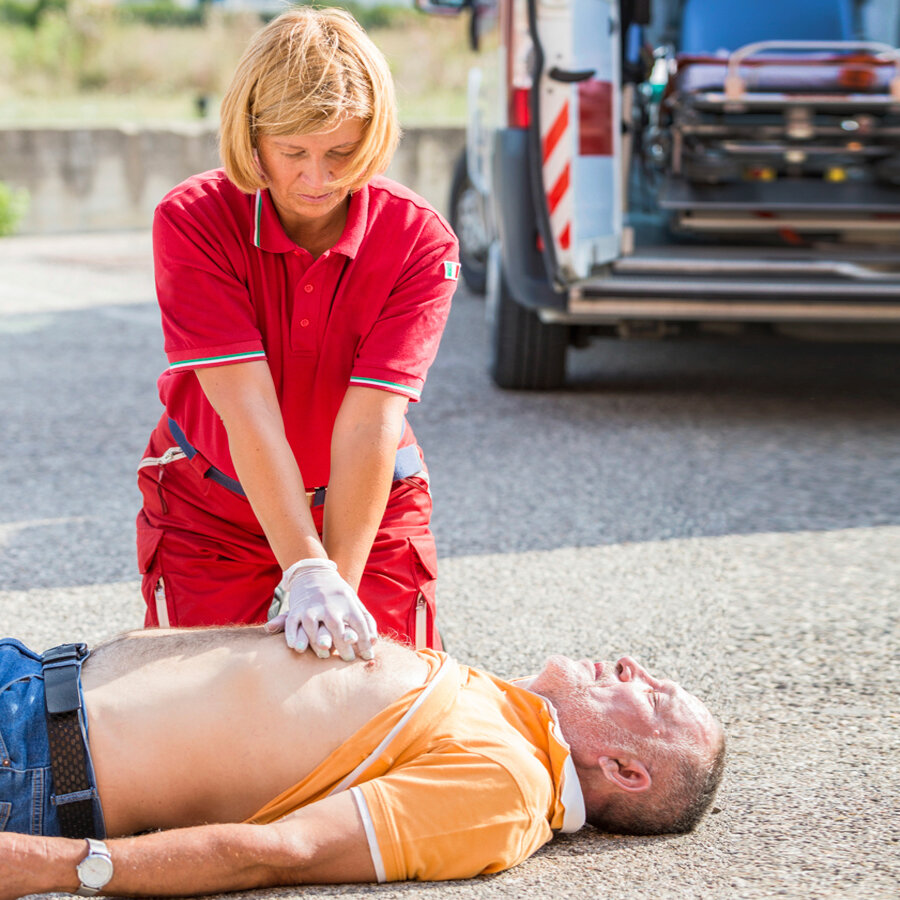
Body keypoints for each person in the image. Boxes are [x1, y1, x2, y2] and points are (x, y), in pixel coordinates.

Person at [135, 7, 459, 660]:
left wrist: (333, 582)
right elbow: (247, 410)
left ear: (374, 134)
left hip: (372, 502)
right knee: (199, 725)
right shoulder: (193, 221)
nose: (319, 179)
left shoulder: (419, 241)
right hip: (212, 506)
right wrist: (305, 572)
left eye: (341, 152)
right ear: (252, 136)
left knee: (382, 702)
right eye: (294, 153)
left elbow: (371, 422)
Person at [0, 627, 725, 898]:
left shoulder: (506, 787)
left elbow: (281, 852)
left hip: (30, 758)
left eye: (655, 698)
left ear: (626, 771)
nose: (635, 666)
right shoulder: (510, 718)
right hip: (31, 676)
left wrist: (52, 868)